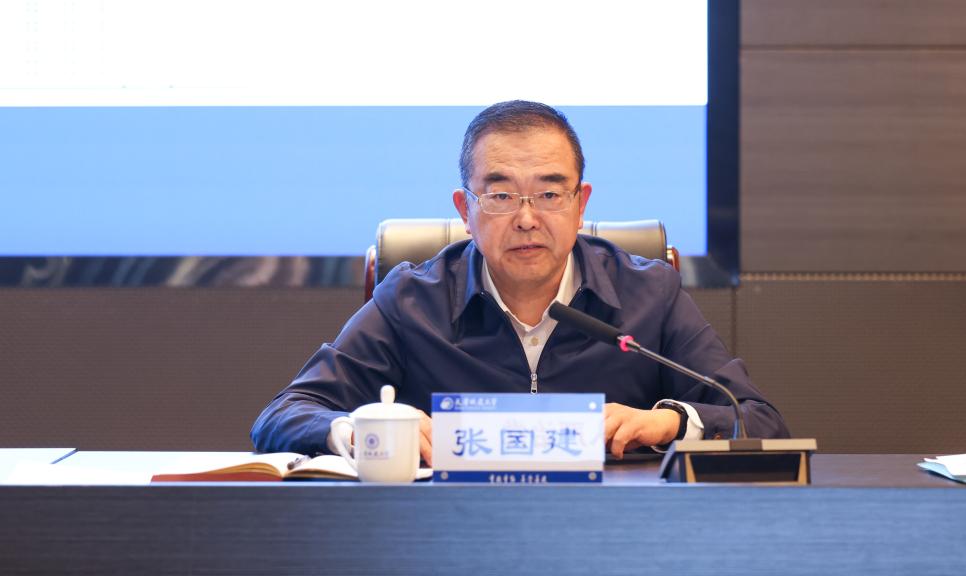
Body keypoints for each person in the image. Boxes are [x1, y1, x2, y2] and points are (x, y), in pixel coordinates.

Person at [251, 101, 789, 464]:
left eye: (550, 194)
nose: (527, 219)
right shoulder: (411, 300)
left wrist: (669, 422)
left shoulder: (649, 294)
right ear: (465, 210)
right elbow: (282, 417)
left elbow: (759, 421)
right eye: (501, 196)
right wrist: (362, 429)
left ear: (580, 204)